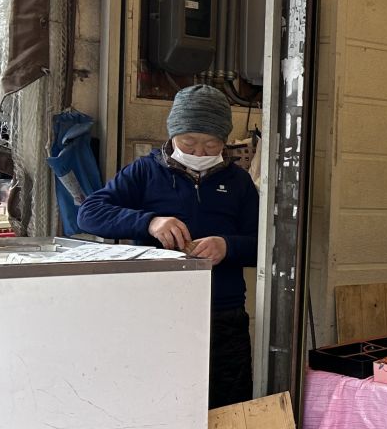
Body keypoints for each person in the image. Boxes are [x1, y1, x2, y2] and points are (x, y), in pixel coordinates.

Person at [79, 85, 261, 408]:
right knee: (158, 407)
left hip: (223, 319)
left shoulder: (239, 183)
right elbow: (89, 214)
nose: (200, 152)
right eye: (188, 143)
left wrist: (227, 246)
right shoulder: (146, 172)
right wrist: (150, 222)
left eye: (211, 144)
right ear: (172, 136)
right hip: (155, 315)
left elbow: (263, 246)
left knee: (229, 411)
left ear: (225, 142)